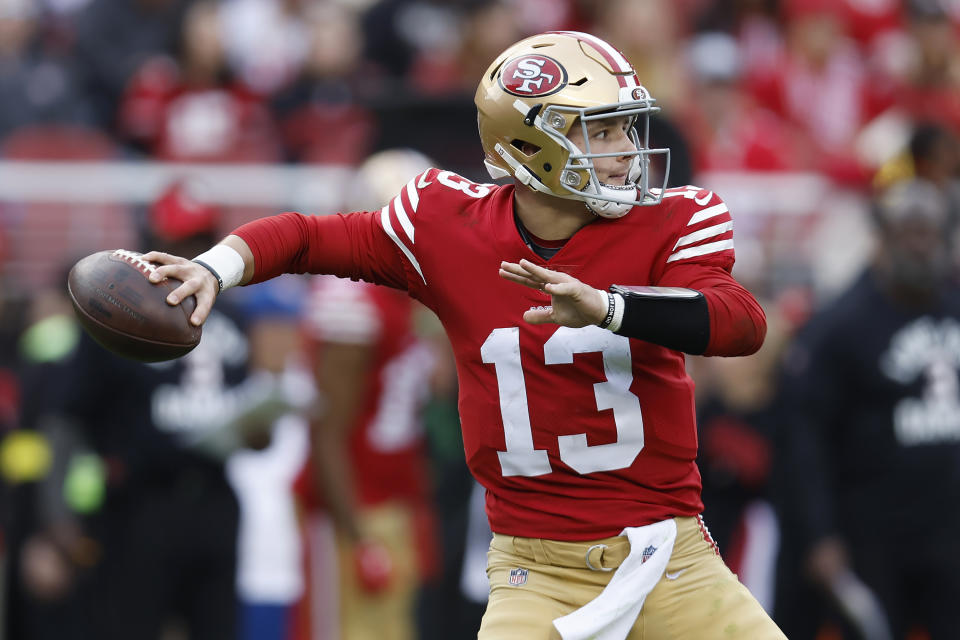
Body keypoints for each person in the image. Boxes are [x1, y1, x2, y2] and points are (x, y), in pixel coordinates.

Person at [145, 31, 785, 639]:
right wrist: (213, 268)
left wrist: (610, 308)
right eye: (603, 131)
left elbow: (738, 321)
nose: (626, 149)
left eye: (625, 126)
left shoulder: (676, 219)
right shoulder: (446, 226)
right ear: (534, 148)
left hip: (670, 555)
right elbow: (309, 237)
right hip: (537, 571)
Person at [774, 178, 960, 640]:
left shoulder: (954, 309)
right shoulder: (841, 327)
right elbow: (805, 439)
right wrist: (820, 534)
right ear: (884, 240)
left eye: (929, 233)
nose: (921, 245)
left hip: (950, 530)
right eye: (909, 233)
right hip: (874, 536)